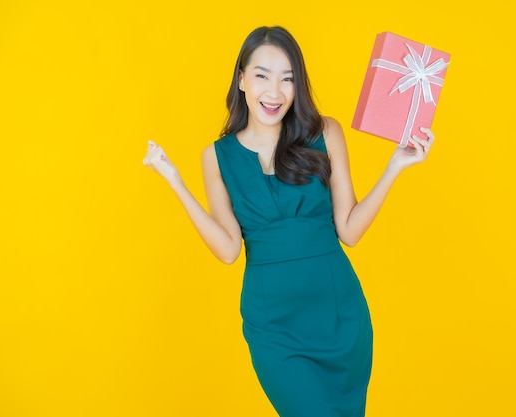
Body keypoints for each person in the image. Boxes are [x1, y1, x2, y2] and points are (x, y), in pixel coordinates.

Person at [143, 26, 435, 417]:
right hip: (273, 325)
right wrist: (175, 181)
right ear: (242, 79)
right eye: (262, 76)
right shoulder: (217, 156)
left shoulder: (325, 133)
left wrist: (395, 167)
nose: (275, 92)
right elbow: (229, 250)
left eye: (288, 79)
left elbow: (349, 230)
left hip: (337, 314)